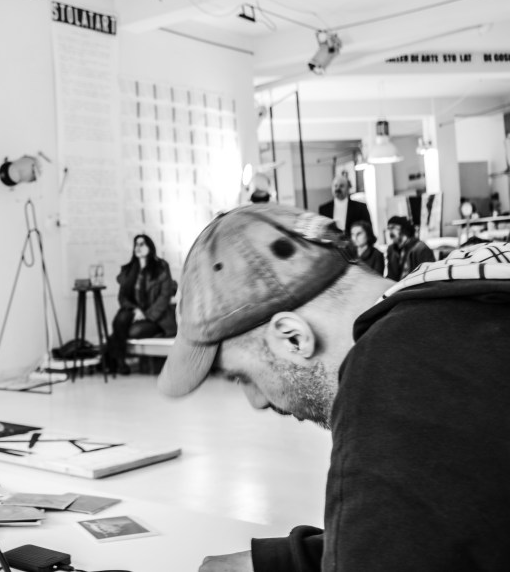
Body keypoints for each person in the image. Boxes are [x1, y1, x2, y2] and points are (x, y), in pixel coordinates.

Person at [158, 204, 510, 572]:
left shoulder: (391, 372)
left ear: (293, 337)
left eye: (243, 377)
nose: (256, 401)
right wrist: (281, 561)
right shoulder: (461, 299)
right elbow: (448, 530)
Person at [104, 234, 177, 375]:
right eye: (136, 244)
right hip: (134, 312)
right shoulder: (129, 270)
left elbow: (164, 297)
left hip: (156, 317)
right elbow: (123, 297)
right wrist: (135, 310)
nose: (138, 247)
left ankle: (112, 361)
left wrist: (146, 315)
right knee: (120, 320)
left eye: (142, 244)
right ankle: (120, 362)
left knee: (132, 332)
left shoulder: (161, 267)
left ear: (150, 247)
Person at [384, 214, 435, 281]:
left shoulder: (421, 248)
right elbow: (390, 276)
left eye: (393, 227)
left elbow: (429, 276)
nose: (390, 232)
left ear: (403, 229)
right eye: (389, 228)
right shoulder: (391, 250)